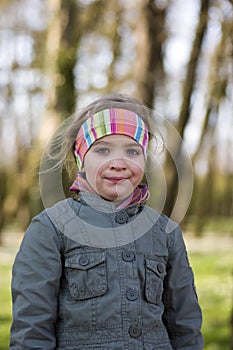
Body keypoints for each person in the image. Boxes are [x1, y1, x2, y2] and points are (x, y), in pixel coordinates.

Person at [10, 93, 204, 349]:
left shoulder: (165, 232)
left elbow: (185, 324)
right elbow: (32, 329)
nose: (118, 163)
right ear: (81, 159)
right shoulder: (51, 228)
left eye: (132, 151)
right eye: (102, 150)